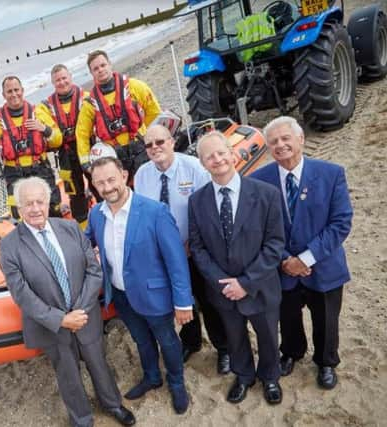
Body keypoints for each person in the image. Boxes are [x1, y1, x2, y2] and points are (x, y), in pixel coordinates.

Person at [0, 177, 135, 427]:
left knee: (98, 362)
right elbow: (21, 294)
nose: (36, 208)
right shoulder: (9, 246)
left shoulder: (70, 228)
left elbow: (94, 271)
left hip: (85, 316)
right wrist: (61, 319)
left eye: (40, 201)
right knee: (67, 374)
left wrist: (80, 310)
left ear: (49, 202)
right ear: (19, 208)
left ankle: (113, 404)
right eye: (28, 204)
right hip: (52, 325)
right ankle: (81, 418)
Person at [85, 157, 194, 414]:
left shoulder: (155, 212)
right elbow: (84, 242)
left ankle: (177, 382)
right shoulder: (96, 214)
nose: (107, 187)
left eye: (111, 179)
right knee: (141, 340)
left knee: (167, 340)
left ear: (124, 176)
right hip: (121, 294)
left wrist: (183, 301)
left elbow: (176, 261)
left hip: (154, 295)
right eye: (100, 182)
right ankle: (152, 377)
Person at [250, 116, 353, 390]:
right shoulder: (259, 181)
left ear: (301, 139)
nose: (280, 145)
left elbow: (340, 222)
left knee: (326, 319)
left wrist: (305, 259)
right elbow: (258, 229)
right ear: (268, 148)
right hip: (281, 268)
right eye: (273, 142)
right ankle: (292, 352)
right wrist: (285, 260)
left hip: (323, 265)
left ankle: (326, 362)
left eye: (286, 138)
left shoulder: (332, 174)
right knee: (288, 316)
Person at [188, 131, 285, 405]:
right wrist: (224, 283)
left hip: (260, 286)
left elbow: (275, 244)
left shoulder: (267, 194)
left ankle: (270, 377)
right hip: (223, 291)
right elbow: (198, 248)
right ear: (203, 164)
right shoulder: (197, 202)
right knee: (235, 337)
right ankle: (244, 376)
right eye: (209, 156)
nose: (217, 159)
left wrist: (246, 282)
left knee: (267, 335)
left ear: (233, 154)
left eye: (221, 153)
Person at [134, 124, 230, 375]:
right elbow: (143, 215)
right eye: (149, 144)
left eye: (160, 142)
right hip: (165, 254)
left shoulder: (194, 168)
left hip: (195, 249)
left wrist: (193, 244)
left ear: (172, 142)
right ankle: (192, 341)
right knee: (181, 300)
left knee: (209, 301)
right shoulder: (142, 175)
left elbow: (209, 210)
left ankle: (224, 348)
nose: (155, 148)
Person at [0, 75, 62, 219]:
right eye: (9, 91)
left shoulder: (39, 113)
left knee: (52, 207)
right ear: (3, 95)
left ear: (22, 90)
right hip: (14, 173)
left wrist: (44, 129)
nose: (14, 94)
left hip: (40, 168)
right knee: (19, 214)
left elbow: (58, 140)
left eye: (16, 90)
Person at [76, 50, 161, 185]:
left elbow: (154, 112)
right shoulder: (89, 103)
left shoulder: (135, 87)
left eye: (103, 65)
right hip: (115, 155)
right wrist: (86, 162)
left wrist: (153, 137)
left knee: (150, 184)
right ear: (91, 73)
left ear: (110, 64)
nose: (100, 70)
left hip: (141, 146)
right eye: (96, 68)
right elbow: (82, 134)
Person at [37, 65, 91, 228]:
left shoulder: (86, 97)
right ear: (53, 83)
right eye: (57, 80)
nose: (62, 82)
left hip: (88, 148)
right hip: (65, 155)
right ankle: (83, 230)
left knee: (97, 184)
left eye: (64, 78)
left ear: (70, 77)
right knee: (75, 194)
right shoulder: (45, 107)